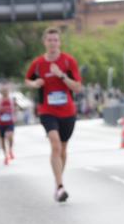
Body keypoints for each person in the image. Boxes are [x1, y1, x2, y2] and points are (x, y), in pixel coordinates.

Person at [25, 26, 83, 202]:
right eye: (49, 40)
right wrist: (35, 84)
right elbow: (27, 80)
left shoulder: (68, 62)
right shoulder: (37, 64)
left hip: (67, 111)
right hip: (47, 110)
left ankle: (59, 181)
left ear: (59, 42)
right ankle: (59, 186)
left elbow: (78, 87)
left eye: (55, 40)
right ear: (44, 42)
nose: (52, 43)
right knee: (55, 145)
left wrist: (62, 76)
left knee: (63, 149)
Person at [0, 85, 17, 165]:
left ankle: (11, 149)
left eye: (6, 91)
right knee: (2, 139)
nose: (5, 92)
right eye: (3, 91)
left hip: (10, 121)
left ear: (8, 92)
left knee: (10, 136)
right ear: (1, 92)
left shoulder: (11, 100)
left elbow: (15, 108)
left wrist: (14, 115)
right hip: (1, 122)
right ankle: (5, 156)